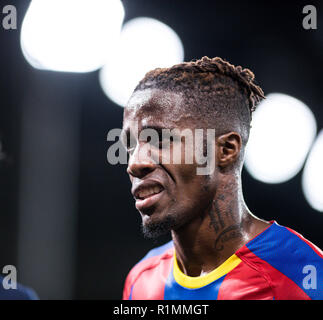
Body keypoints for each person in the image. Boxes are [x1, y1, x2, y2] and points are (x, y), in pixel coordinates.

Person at [121, 56, 323, 300]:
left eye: (160, 140)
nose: (135, 163)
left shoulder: (303, 276)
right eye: (130, 145)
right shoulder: (141, 281)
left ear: (226, 150)